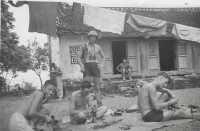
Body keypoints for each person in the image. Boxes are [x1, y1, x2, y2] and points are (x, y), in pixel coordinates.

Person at [79, 30, 105, 106]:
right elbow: (79, 58)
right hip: (87, 67)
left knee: (97, 87)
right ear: (88, 38)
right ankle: (85, 104)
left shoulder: (98, 47)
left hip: (95, 67)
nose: (92, 39)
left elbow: (103, 57)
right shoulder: (84, 46)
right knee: (86, 87)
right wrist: (81, 66)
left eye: (94, 37)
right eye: (91, 37)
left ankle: (99, 103)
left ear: (96, 38)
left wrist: (101, 65)